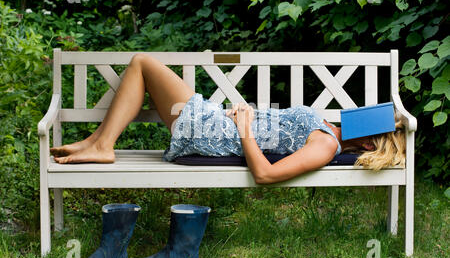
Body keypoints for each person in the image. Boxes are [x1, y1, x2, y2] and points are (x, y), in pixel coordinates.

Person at [50, 53, 406, 184]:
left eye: (376, 117)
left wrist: (245, 128)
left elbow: (266, 175)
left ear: (371, 139)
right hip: (218, 121)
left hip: (214, 133)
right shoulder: (329, 127)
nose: (367, 110)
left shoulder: (326, 144)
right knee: (142, 64)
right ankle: (97, 142)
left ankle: (102, 144)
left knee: (143, 63)